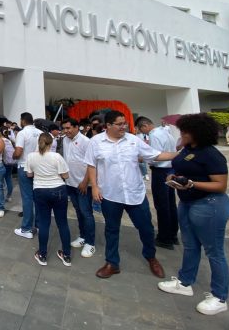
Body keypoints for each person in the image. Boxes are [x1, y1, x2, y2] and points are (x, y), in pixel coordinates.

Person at [85, 110, 179, 279]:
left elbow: (156, 155)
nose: (124, 127)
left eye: (125, 123)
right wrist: (95, 187)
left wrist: (180, 154)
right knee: (111, 230)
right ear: (108, 125)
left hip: (135, 194)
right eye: (119, 124)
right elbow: (91, 165)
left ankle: (151, 257)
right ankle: (112, 263)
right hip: (111, 195)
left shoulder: (134, 140)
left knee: (146, 228)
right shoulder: (95, 142)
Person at [158, 113, 229, 316]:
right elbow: (179, 166)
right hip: (188, 203)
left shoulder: (210, 154)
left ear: (196, 132)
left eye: (184, 131)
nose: (181, 133)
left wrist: (191, 184)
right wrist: (173, 177)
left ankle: (219, 297)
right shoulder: (187, 149)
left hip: (209, 205)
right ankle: (185, 282)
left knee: (214, 251)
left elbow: (220, 185)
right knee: (190, 245)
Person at [27, 133, 71, 266]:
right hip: (58, 190)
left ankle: (42, 254)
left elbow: (29, 174)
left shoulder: (30, 156)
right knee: (62, 223)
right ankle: (67, 256)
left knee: (44, 223)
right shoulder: (56, 156)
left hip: (40, 190)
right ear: (51, 143)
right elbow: (66, 175)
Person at [136, 116, 179, 250]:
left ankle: (165, 238)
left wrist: (143, 159)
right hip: (171, 169)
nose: (143, 133)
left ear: (144, 126)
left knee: (162, 205)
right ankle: (172, 234)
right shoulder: (166, 132)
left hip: (161, 171)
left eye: (142, 130)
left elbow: (155, 156)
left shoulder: (154, 135)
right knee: (171, 204)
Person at [62, 117, 95, 258]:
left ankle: (90, 243)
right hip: (70, 183)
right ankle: (82, 236)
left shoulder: (86, 142)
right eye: (64, 128)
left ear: (77, 127)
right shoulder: (64, 140)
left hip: (83, 185)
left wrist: (85, 181)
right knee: (78, 211)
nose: (66, 131)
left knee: (86, 212)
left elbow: (91, 164)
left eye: (69, 128)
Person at [13, 112, 42, 239]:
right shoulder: (40, 133)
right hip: (38, 167)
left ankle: (26, 229)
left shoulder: (22, 133)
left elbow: (18, 152)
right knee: (37, 197)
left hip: (24, 167)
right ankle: (39, 225)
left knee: (27, 198)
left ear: (23, 121)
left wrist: (13, 155)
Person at [1, 129, 15, 202]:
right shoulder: (8, 140)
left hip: (3, 162)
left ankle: (1, 197)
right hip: (10, 161)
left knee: (0, 180)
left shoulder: (0, 140)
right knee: (8, 179)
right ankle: (9, 196)